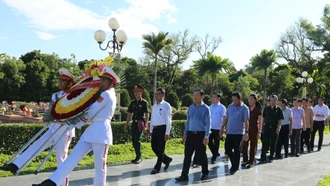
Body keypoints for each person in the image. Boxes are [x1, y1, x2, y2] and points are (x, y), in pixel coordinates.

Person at [32, 66, 120, 186]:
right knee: (72, 158)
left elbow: (91, 111)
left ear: (111, 83)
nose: (102, 82)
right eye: (102, 79)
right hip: (92, 130)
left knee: (100, 166)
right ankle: (53, 182)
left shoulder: (107, 95)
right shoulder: (103, 93)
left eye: (104, 80)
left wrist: (74, 121)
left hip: (101, 132)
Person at [0, 68, 75, 186]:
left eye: (63, 81)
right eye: (59, 80)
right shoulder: (56, 95)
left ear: (70, 83)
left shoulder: (74, 95)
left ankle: (63, 184)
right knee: (36, 145)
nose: (60, 83)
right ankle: (16, 165)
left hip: (64, 130)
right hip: (53, 127)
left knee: (61, 159)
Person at [175, 89, 211, 182]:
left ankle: (205, 173)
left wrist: (206, 136)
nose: (195, 97)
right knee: (187, 156)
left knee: (202, 155)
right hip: (191, 134)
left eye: (197, 96)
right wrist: (185, 133)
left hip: (201, 134)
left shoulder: (206, 108)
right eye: (194, 95)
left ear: (202, 97)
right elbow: (188, 122)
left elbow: (208, 123)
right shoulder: (191, 107)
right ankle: (184, 175)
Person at [220, 92, 249, 175]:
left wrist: (246, 132)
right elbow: (226, 118)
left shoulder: (244, 108)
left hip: (239, 133)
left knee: (237, 150)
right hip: (229, 132)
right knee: (228, 149)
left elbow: (246, 121)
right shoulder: (230, 106)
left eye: (236, 100)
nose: (234, 102)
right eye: (233, 100)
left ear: (240, 99)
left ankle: (234, 167)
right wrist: (222, 127)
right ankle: (234, 164)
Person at [149, 88, 173, 174]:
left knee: (161, 148)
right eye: (156, 94)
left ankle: (157, 168)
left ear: (163, 95)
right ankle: (166, 159)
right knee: (154, 147)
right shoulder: (154, 105)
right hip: (155, 129)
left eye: (158, 94)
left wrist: (167, 133)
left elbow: (168, 120)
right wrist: (151, 129)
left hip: (162, 129)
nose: (156, 96)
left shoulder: (166, 105)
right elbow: (152, 118)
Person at [124, 84, 150, 164]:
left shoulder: (144, 103)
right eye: (135, 92)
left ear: (141, 93)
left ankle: (139, 157)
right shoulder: (132, 103)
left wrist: (146, 124)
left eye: (137, 92)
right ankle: (136, 156)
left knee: (137, 140)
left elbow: (147, 114)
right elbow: (129, 114)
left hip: (140, 123)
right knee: (134, 140)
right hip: (134, 123)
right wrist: (126, 124)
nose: (136, 93)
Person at [258, 95, 283, 163]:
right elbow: (263, 118)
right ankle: (263, 157)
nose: (272, 102)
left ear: (276, 101)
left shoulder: (279, 109)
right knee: (265, 143)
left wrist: (279, 127)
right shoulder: (266, 108)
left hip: (274, 128)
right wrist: (261, 127)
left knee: (273, 143)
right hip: (266, 128)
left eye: (274, 100)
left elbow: (281, 119)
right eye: (271, 100)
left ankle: (271, 156)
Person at [242, 93, 262, 168]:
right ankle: (245, 160)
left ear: (255, 100)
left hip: (254, 129)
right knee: (244, 144)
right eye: (249, 99)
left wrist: (259, 131)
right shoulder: (247, 108)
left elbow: (260, 121)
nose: (250, 101)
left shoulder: (258, 109)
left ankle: (251, 161)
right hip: (247, 128)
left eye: (251, 99)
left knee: (253, 145)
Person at [208, 92, 226, 164]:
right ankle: (215, 153)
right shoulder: (210, 107)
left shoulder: (222, 107)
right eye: (212, 97)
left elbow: (224, 118)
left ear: (218, 98)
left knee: (216, 142)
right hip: (211, 127)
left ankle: (214, 157)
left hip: (218, 127)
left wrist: (223, 127)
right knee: (209, 141)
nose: (213, 99)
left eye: (214, 97)